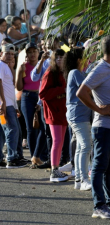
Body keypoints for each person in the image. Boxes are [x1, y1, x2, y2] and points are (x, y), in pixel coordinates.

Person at [77, 36, 110, 219]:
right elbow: (81, 92)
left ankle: (108, 203)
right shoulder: (101, 69)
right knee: (99, 166)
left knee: (108, 167)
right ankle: (99, 205)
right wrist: (99, 109)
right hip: (103, 127)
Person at [0, 44, 27, 169]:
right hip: (3, 106)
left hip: (5, 105)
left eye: (12, 54)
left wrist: (14, 105)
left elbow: (7, 87)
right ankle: (12, 159)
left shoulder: (4, 66)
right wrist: (3, 103)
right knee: (12, 130)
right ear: (1, 53)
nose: (10, 56)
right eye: (7, 53)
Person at [63, 48, 92, 191]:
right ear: (79, 60)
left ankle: (79, 180)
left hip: (78, 115)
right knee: (86, 146)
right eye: (85, 57)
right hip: (78, 115)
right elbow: (87, 89)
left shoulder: (76, 73)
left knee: (81, 147)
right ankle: (83, 179)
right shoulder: (75, 72)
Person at [39, 50, 69, 182]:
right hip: (53, 111)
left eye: (62, 57)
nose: (59, 60)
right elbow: (43, 94)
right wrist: (62, 90)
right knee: (56, 141)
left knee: (60, 141)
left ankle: (56, 169)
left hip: (62, 111)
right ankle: (54, 170)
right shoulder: (50, 72)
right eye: (57, 57)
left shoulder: (65, 72)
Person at [16, 43, 45, 166]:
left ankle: (41, 155)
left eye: (34, 51)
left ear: (38, 53)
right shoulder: (24, 66)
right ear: (26, 54)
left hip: (42, 97)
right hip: (27, 97)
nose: (32, 54)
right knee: (31, 129)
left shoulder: (44, 65)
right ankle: (34, 157)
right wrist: (19, 72)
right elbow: (19, 87)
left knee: (43, 128)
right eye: (30, 52)